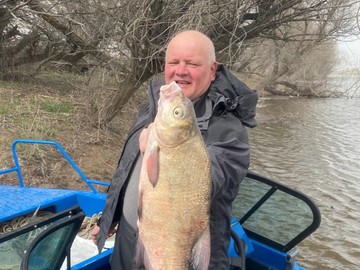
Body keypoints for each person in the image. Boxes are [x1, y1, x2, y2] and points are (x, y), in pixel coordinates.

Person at [92, 30, 258, 269]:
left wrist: (164, 147)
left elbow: (212, 179)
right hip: (130, 240)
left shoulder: (228, 129)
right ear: (164, 66)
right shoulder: (157, 107)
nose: (181, 70)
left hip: (180, 252)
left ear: (212, 70)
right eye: (174, 62)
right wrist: (110, 216)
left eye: (192, 63)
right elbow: (128, 171)